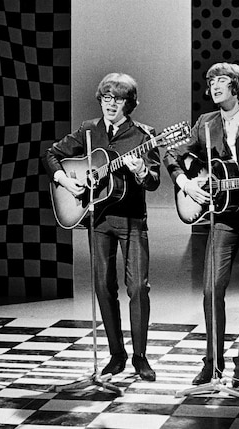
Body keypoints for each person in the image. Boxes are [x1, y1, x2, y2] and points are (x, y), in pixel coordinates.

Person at [164, 62, 239, 388]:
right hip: (221, 217)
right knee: (210, 289)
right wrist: (186, 184)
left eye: (221, 80)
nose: (214, 86)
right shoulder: (206, 123)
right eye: (210, 81)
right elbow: (172, 155)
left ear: (236, 85)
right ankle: (212, 362)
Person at [42, 72, 160, 381]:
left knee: (137, 287)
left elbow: (154, 182)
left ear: (129, 103)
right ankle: (116, 355)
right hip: (98, 219)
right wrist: (66, 180)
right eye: (106, 98)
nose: (111, 104)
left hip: (132, 220)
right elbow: (52, 155)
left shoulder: (144, 135)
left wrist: (141, 170)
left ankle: (140, 357)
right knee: (103, 287)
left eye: (118, 99)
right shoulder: (89, 130)